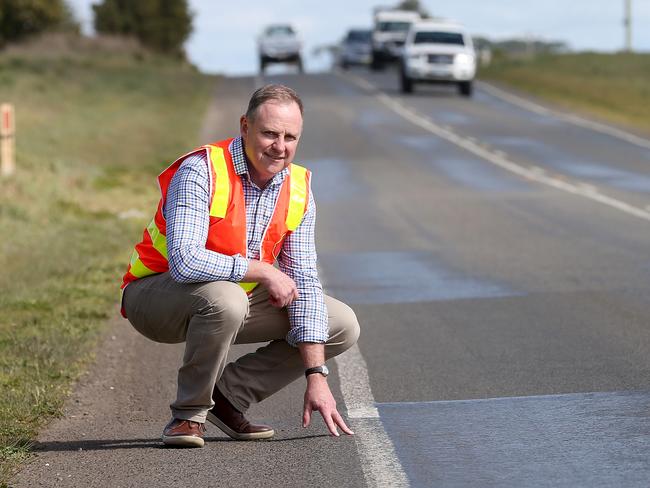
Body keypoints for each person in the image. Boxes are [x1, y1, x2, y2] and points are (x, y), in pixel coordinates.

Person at [120, 84, 360, 447]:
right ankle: (188, 416)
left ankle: (229, 397)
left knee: (339, 323)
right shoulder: (201, 170)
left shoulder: (298, 186)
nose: (280, 146)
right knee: (227, 300)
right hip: (155, 295)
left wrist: (316, 374)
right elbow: (185, 262)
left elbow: (305, 281)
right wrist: (264, 271)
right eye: (269, 133)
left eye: (290, 136)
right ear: (245, 126)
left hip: (232, 296)